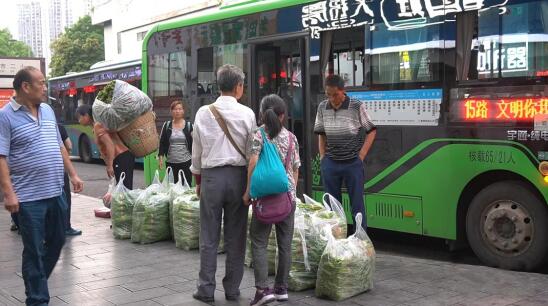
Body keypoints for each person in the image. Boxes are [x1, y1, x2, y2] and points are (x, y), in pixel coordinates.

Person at [0, 66, 84, 306]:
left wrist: (74, 175)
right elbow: (1, 157)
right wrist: (9, 193)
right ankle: (37, 299)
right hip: (28, 198)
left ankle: (36, 280)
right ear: (26, 87)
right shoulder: (5, 116)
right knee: (34, 250)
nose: (45, 88)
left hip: (56, 191)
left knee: (58, 241)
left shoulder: (47, 110)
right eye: (42, 83)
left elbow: (59, 146)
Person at [191, 64, 256, 303]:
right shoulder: (248, 114)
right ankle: (232, 289)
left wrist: (198, 180)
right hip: (239, 178)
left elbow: (196, 151)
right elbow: (252, 153)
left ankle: (206, 289)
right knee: (235, 236)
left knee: (208, 235)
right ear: (239, 86)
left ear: (219, 86)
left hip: (210, 178)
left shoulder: (202, 113)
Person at [243, 94, 300, 306]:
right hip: (287, 199)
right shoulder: (291, 138)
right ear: (283, 116)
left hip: (264, 198)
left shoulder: (258, 135)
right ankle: (281, 288)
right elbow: (295, 170)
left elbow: (253, 163)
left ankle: (262, 290)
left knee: (259, 241)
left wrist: (248, 192)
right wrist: (291, 192)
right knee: (285, 244)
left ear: (262, 114)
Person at [313, 74, 376, 235]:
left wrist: (361, 155)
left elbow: (371, 130)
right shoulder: (322, 107)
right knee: (332, 206)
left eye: (335, 94)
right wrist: (322, 157)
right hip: (331, 163)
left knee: (357, 205)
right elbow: (321, 134)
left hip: (352, 163)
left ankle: (360, 241)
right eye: (328, 94)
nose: (332, 98)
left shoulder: (356, 106)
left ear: (343, 91)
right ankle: (336, 240)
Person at [75, 104, 134, 194]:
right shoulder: (97, 126)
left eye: (79, 117)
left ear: (86, 116)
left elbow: (110, 145)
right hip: (123, 157)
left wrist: (110, 165)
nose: (78, 121)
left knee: (124, 191)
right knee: (124, 190)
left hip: (121, 157)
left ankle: (127, 207)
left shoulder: (98, 126)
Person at [158, 100, 193, 184]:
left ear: (183, 111)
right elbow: (162, 142)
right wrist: (160, 158)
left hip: (186, 162)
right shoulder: (166, 125)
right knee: (172, 187)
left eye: (180, 109)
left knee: (186, 187)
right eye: (175, 109)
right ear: (171, 111)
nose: (177, 111)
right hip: (171, 162)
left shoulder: (189, 126)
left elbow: (195, 144)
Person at [57, 123, 82, 236]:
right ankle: (66, 227)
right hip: (60, 169)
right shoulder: (59, 126)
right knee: (65, 198)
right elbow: (69, 146)